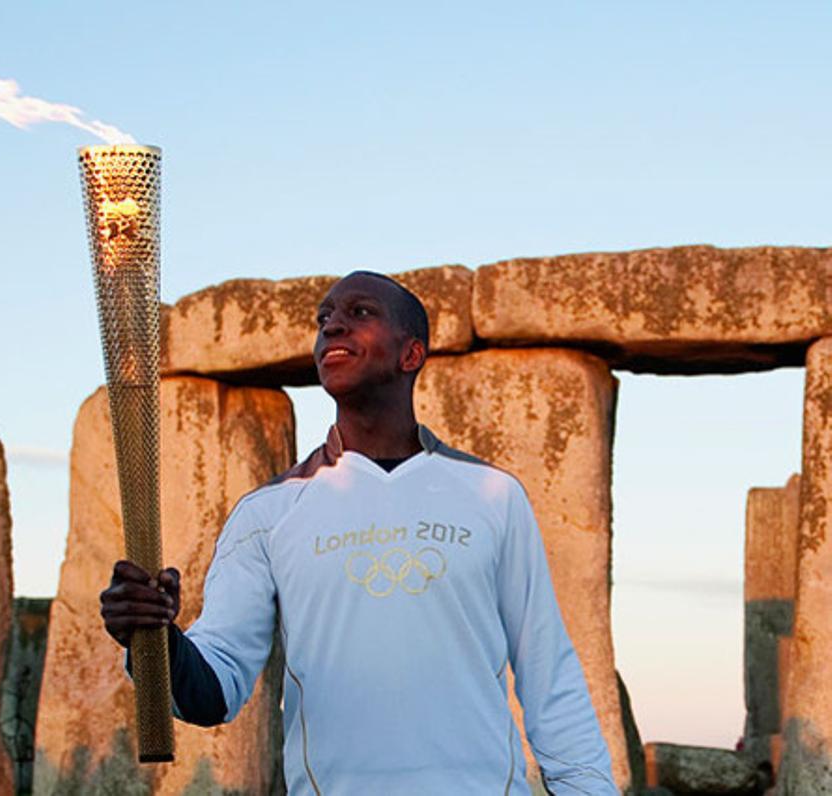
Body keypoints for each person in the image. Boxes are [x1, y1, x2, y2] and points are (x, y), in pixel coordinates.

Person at [100, 271, 618, 795]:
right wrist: (155, 636)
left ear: (410, 353)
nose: (333, 327)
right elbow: (214, 690)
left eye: (360, 313)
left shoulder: (493, 496)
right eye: (324, 320)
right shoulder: (268, 511)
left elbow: (548, 673)